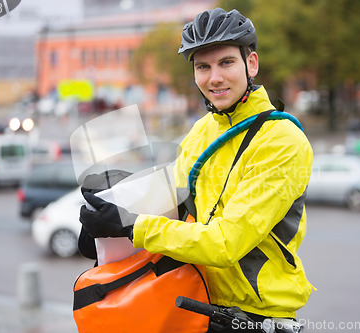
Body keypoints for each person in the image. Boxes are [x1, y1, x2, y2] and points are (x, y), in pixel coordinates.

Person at [79, 7, 314, 332]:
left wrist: (133, 227)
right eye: (203, 66)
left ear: (252, 63)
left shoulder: (281, 140)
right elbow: (173, 206)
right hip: (197, 305)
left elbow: (226, 243)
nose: (214, 77)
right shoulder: (202, 131)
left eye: (226, 62)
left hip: (257, 319)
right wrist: (110, 216)